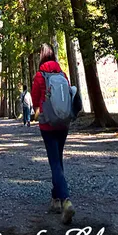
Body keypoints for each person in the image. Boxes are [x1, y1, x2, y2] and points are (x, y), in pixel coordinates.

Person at [31, 43, 74, 224]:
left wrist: (36, 112)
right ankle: (55, 200)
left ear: (41, 57)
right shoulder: (62, 74)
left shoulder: (40, 75)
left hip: (47, 124)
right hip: (63, 123)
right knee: (59, 159)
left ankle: (65, 201)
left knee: (54, 162)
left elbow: (34, 99)